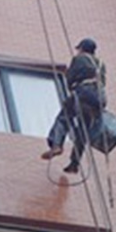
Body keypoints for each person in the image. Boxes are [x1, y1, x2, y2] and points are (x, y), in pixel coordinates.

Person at [41, 39, 107, 174]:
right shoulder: (101, 64)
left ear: (82, 49)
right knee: (82, 130)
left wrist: (71, 83)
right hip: (99, 99)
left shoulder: (80, 58)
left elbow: (70, 79)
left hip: (84, 92)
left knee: (64, 116)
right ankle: (74, 163)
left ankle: (56, 144)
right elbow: (103, 82)